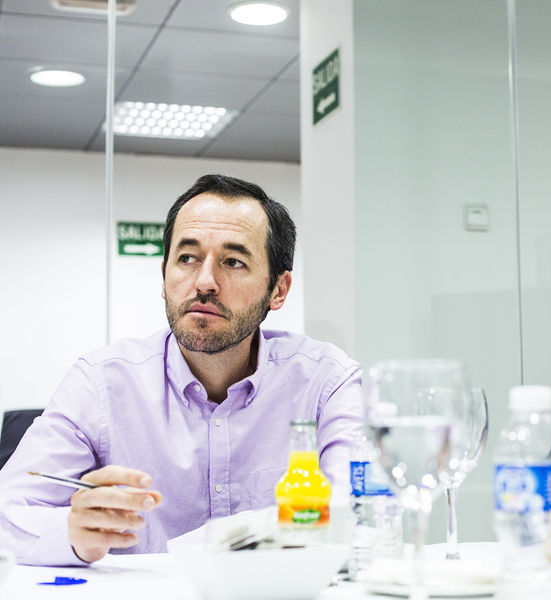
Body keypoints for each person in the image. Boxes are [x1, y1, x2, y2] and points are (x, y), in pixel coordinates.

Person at [0, 174, 362, 565]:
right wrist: (73, 533)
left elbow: (361, 516)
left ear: (279, 289)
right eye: (187, 258)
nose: (204, 282)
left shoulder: (325, 382)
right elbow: (8, 517)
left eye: (234, 262)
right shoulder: (100, 384)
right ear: (164, 275)